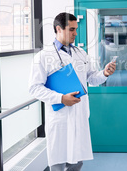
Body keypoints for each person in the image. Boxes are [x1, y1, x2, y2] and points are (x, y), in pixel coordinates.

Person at [28, 12, 116, 171]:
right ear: (58, 29)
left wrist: (104, 73)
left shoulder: (80, 53)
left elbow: (91, 78)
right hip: (59, 116)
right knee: (58, 163)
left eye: (76, 29)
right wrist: (61, 98)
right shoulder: (42, 56)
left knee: (77, 162)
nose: (76, 33)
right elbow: (34, 87)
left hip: (79, 114)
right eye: (71, 29)